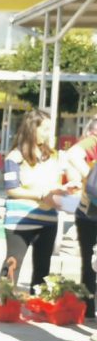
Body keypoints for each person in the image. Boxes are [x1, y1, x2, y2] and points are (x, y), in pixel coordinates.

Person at [0, 110, 74, 292]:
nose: (49, 133)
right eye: (45, 129)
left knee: (43, 267)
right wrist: (40, 195)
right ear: (33, 128)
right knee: (13, 262)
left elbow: (56, 183)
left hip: (48, 218)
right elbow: (11, 189)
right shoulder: (15, 156)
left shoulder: (53, 156)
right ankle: (3, 300)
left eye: (50, 129)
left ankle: (38, 303)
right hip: (20, 218)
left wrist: (66, 191)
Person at [66, 118, 97, 319]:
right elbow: (73, 154)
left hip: (87, 212)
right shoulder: (92, 141)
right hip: (89, 212)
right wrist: (90, 176)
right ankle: (89, 307)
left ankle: (89, 308)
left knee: (89, 262)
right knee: (89, 261)